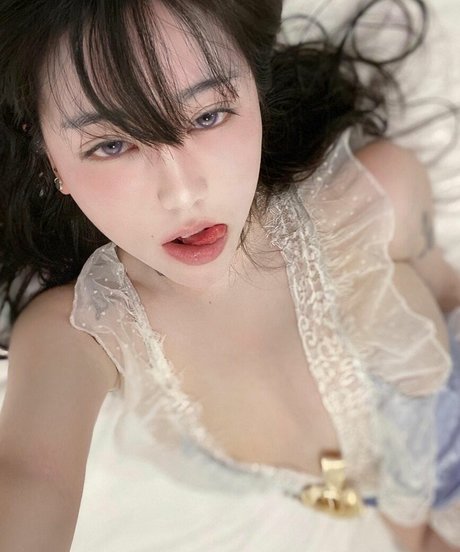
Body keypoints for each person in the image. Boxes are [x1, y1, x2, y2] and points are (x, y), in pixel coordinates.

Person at [0, 0, 459, 550]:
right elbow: (32, 478)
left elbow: (448, 300)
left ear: (256, 87)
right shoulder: (81, 332)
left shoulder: (374, 200)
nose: (183, 193)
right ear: (48, 156)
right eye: (112, 145)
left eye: (207, 116)